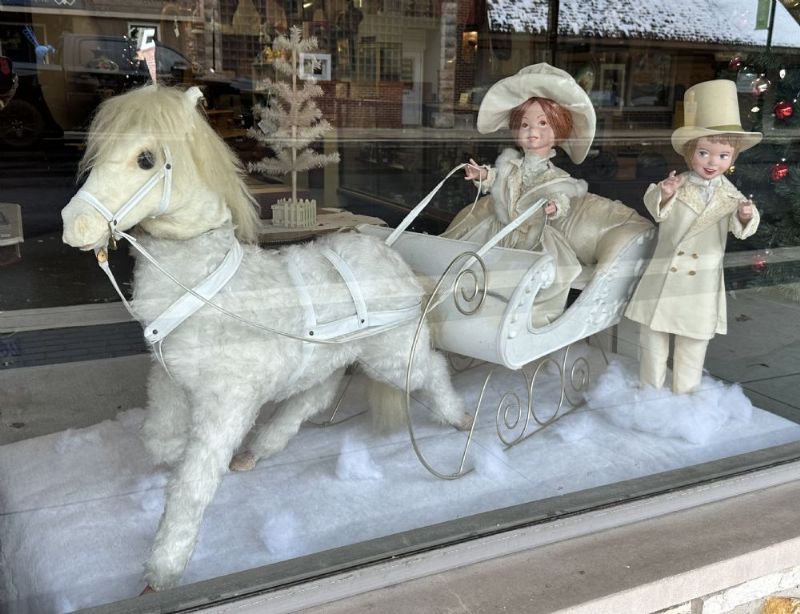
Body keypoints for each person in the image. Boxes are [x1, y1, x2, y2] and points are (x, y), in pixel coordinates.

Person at [625, 79, 762, 395]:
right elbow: (656, 210)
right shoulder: (678, 185)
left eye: (723, 156)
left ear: (732, 159)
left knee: (692, 343)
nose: (713, 163)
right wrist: (665, 194)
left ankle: (686, 394)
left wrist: (745, 215)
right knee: (653, 337)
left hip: (700, 284)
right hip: (664, 275)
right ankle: (649, 390)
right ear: (690, 153)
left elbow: (742, 228)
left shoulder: (731, 196)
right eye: (704, 153)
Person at [442, 63, 595, 326]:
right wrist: (483, 175)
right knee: (476, 267)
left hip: (533, 236)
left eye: (543, 123)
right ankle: (480, 315)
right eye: (525, 125)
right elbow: (498, 179)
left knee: (534, 278)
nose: (532, 131)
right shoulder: (511, 164)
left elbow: (561, 197)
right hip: (499, 230)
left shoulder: (555, 176)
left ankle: (521, 321)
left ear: (559, 129)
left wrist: (554, 207)